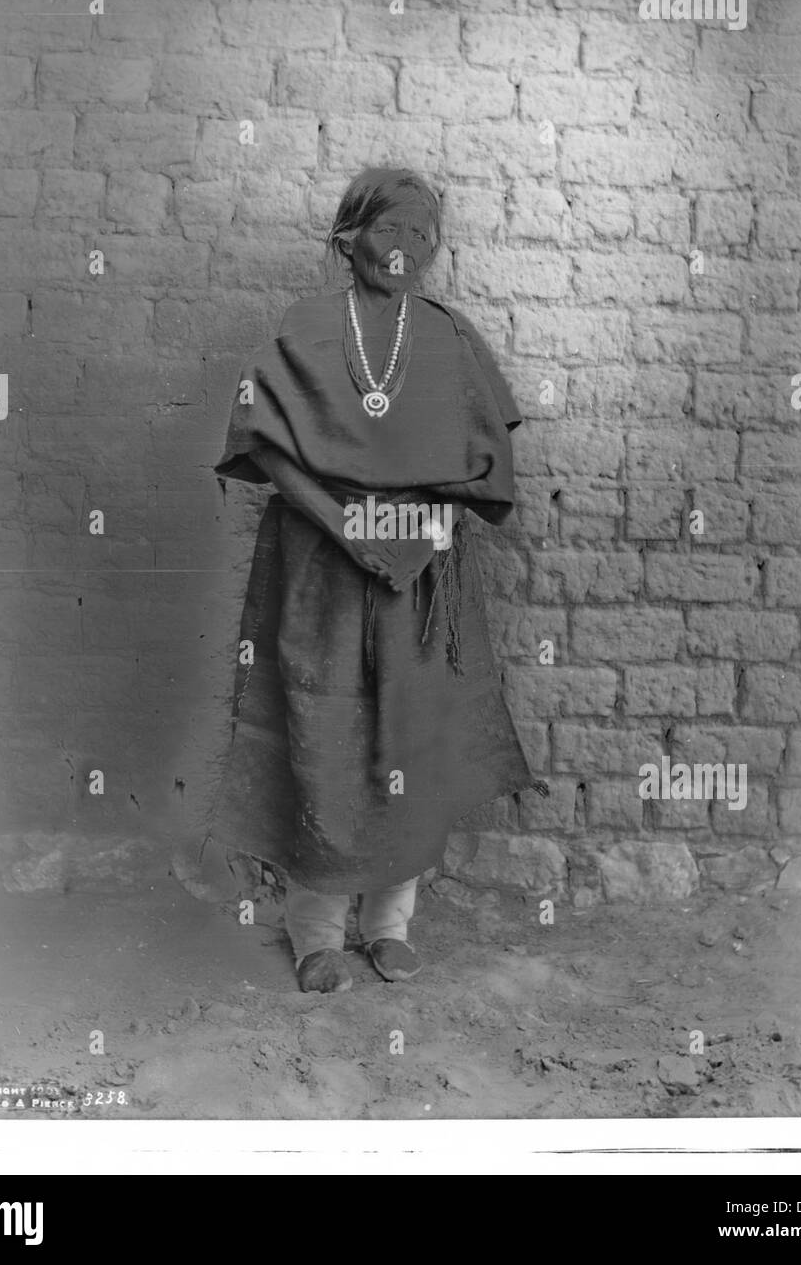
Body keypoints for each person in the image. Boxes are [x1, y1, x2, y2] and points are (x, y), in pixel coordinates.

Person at [206, 166, 546, 994]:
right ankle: (316, 932)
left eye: (421, 234)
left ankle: (389, 925)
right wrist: (349, 528)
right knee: (321, 735)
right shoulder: (305, 328)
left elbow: (473, 469)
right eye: (388, 230)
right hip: (320, 564)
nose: (405, 248)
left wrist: (415, 535)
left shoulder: (447, 338)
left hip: (421, 572)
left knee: (407, 738)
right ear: (346, 238)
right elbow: (271, 451)